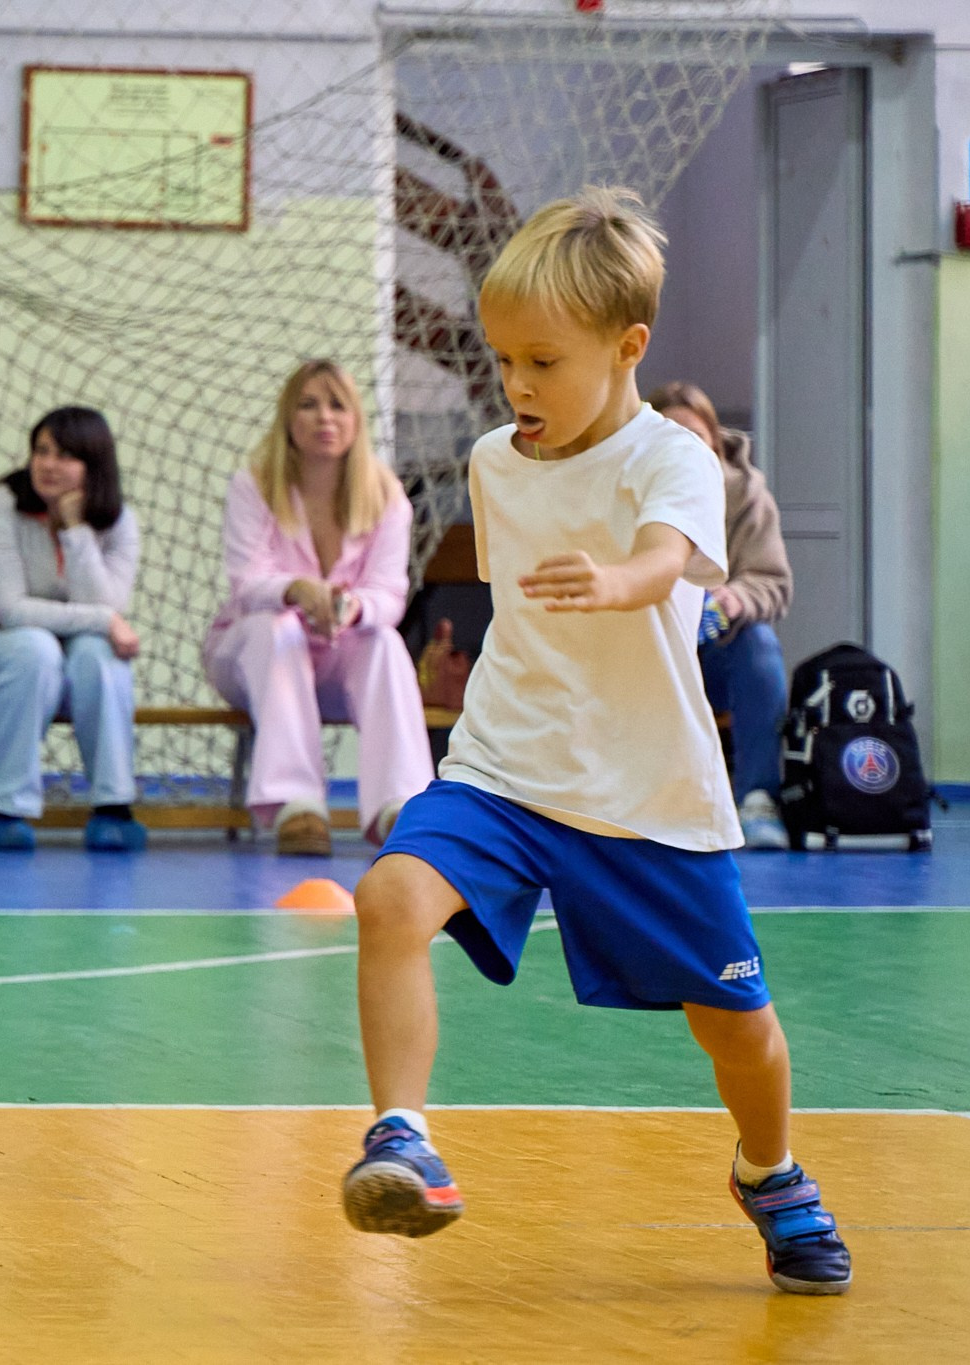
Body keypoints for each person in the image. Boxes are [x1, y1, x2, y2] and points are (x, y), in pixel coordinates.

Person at [343, 188, 851, 1296]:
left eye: (541, 361)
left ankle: (766, 1172)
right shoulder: (494, 458)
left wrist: (620, 580)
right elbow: (515, 617)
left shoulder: (671, 459)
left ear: (625, 349)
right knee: (387, 897)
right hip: (505, 770)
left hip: (648, 795)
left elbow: (667, 558)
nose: (516, 387)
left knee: (740, 1036)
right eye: (501, 362)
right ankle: (399, 1139)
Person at [204, 360, 435, 856]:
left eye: (337, 405)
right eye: (308, 405)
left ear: (356, 420)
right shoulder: (255, 484)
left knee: (383, 641)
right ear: (288, 418)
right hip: (249, 654)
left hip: (340, 656)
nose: (323, 417)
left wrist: (351, 608)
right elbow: (246, 585)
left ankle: (400, 805)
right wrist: (295, 590)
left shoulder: (387, 497)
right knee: (275, 628)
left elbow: (389, 595)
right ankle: (297, 806)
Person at [0, 408, 145, 852]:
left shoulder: (119, 522)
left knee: (98, 654)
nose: (49, 465)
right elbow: (9, 610)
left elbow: (107, 603)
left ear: (94, 465)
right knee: (35, 648)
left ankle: (113, 808)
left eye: (66, 456)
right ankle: (2, 810)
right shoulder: (1, 504)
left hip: (67, 668)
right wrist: (103, 621)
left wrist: (75, 529)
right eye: (42, 451)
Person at [649, 380, 794, 850]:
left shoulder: (749, 498)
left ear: (714, 441)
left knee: (760, 646)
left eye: (695, 435)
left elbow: (773, 581)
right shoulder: (630, 492)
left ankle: (756, 798)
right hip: (648, 650)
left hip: (716, 649)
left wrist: (732, 599)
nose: (685, 447)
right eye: (671, 435)